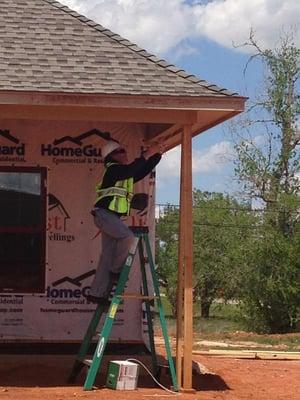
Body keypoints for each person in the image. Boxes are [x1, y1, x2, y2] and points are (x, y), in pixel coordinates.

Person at [87, 140, 162, 305]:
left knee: (107, 256)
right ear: (111, 157)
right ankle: (116, 270)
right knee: (127, 236)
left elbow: (142, 170)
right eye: (121, 151)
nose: (125, 153)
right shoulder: (113, 170)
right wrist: (148, 153)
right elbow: (132, 169)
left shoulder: (123, 174)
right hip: (104, 215)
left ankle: (97, 293)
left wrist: (157, 154)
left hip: (110, 217)